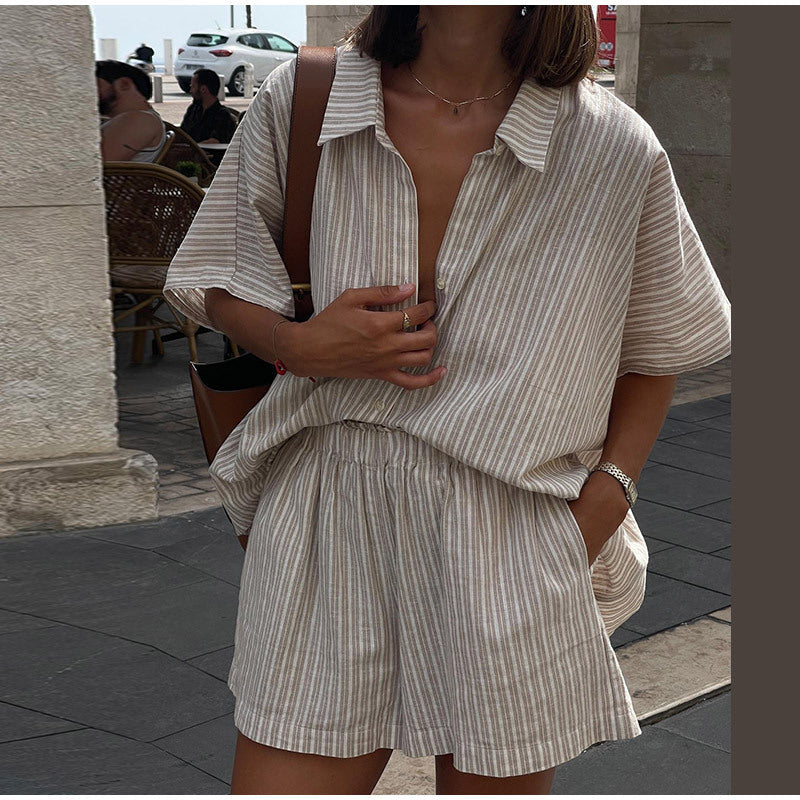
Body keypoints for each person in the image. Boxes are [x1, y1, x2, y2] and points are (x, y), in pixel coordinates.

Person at [164, 5, 731, 794]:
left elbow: (656, 342)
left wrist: (604, 501)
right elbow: (219, 272)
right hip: (331, 508)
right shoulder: (309, 100)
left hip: (512, 530)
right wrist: (298, 344)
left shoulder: (611, 145)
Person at [95, 60, 167, 163]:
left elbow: (88, 165)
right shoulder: (137, 119)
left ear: (124, 84)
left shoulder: (140, 120)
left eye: (94, 84)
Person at [179, 68, 238, 145]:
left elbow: (214, 141)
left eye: (193, 87)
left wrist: (192, 148)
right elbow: (182, 134)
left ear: (203, 89)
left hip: (206, 152)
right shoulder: (193, 109)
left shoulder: (222, 115)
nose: (190, 91)